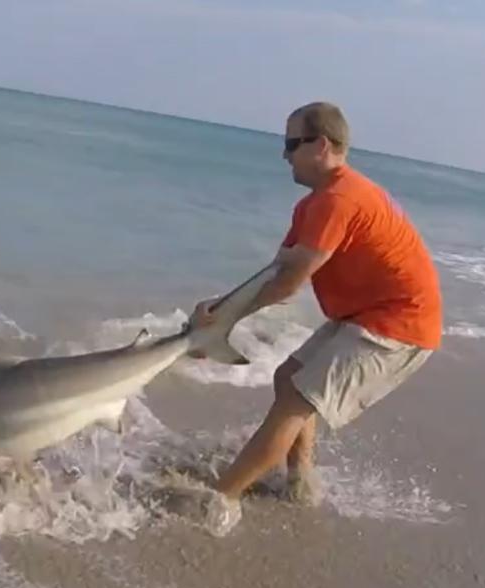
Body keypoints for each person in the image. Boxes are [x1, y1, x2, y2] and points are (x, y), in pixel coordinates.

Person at [189, 101, 442, 508]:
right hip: (366, 315)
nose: (284, 155)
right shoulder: (316, 203)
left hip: (399, 325)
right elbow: (277, 271)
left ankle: (219, 501)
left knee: (293, 404)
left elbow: (288, 286)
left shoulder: (339, 200)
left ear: (321, 145)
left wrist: (222, 322)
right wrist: (218, 312)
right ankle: (300, 482)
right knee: (289, 378)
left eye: (291, 144)